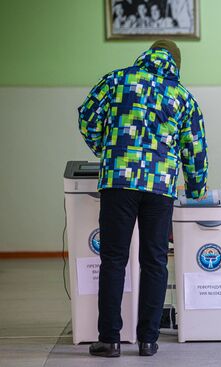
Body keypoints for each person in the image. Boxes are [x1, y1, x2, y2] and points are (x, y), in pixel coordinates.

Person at [78, 40, 208, 357]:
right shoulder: (182, 96)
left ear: (146, 54)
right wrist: (195, 189)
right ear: (175, 63)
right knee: (154, 261)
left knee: (113, 259)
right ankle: (148, 340)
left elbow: (87, 118)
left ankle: (109, 340)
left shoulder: (115, 80)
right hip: (160, 187)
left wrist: (105, 147)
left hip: (118, 181)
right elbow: (195, 148)